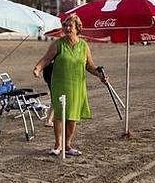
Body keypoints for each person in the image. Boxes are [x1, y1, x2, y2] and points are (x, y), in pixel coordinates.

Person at [32, 14, 107, 156]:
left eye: (69, 26)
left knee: (72, 116)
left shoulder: (84, 46)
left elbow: (90, 66)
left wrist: (99, 76)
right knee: (59, 115)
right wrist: (38, 68)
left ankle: (67, 145)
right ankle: (57, 145)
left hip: (77, 85)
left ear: (77, 28)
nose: (66, 28)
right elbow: (46, 59)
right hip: (60, 83)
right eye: (65, 26)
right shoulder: (58, 44)